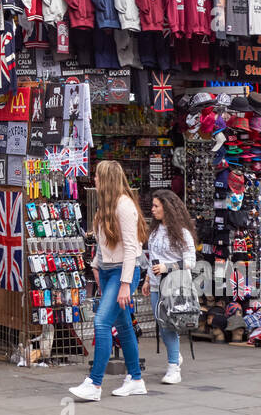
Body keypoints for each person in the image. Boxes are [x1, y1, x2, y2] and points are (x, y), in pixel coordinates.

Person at [69, 160, 146, 401]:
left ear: (107, 179)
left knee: (102, 322)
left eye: (98, 176)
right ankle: (135, 379)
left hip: (122, 272)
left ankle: (94, 382)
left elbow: (132, 247)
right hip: (107, 270)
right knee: (123, 326)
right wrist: (95, 266)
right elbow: (103, 243)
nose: (94, 180)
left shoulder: (124, 205)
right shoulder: (106, 206)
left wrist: (125, 284)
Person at [139, 189, 196, 384]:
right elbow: (152, 258)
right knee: (162, 324)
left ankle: (173, 366)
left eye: (156, 206)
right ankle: (175, 355)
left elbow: (190, 262)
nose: (152, 210)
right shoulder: (154, 231)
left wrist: (167, 267)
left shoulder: (182, 232)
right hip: (156, 285)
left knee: (169, 324)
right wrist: (147, 280)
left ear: (167, 207)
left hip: (175, 286)